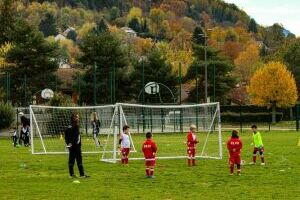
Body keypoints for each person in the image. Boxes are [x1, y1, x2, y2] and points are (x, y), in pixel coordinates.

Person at [65, 113, 89, 178]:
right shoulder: (76, 126)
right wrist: (71, 143)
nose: (78, 118)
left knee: (71, 159)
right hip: (76, 146)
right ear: (74, 118)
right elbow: (75, 136)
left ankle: (71, 174)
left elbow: (66, 137)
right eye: (77, 117)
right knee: (79, 159)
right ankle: (82, 174)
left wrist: (68, 143)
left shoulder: (68, 127)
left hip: (71, 147)